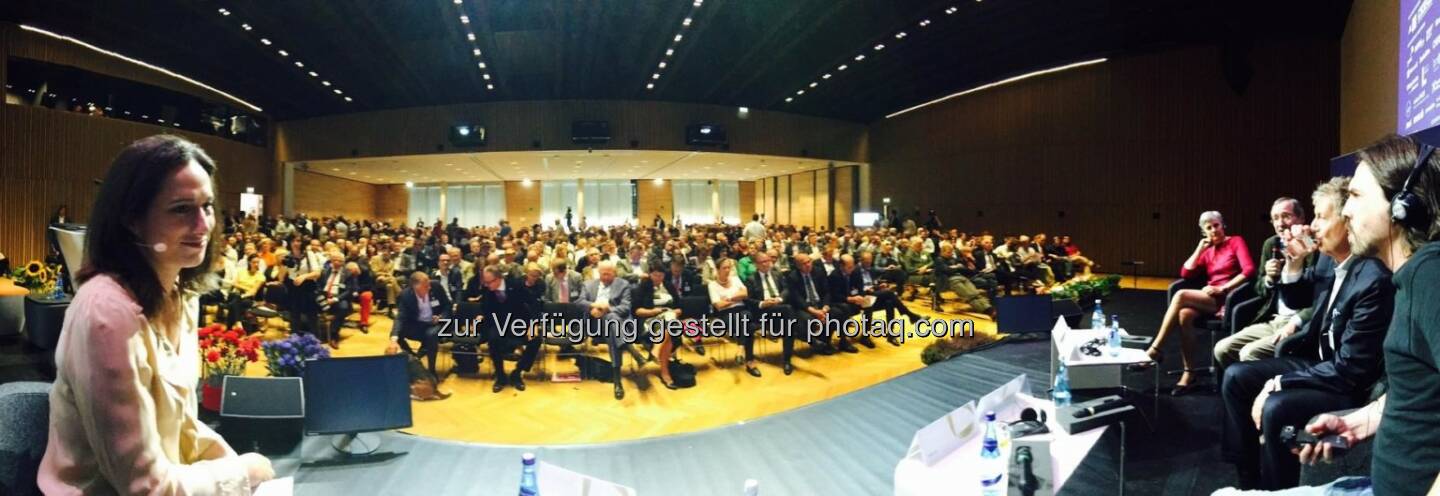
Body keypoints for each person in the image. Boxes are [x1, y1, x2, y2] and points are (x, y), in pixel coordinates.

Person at [39, 135, 274, 493]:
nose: (203, 225)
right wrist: (241, 474)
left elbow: (181, 427)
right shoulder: (107, 315)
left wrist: (235, 466)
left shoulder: (181, 295)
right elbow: (144, 487)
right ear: (133, 219)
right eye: (181, 209)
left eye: (207, 206)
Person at [1275, 134, 1440, 496]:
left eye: (1356, 197)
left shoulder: (1432, 274)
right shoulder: (1411, 278)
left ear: (1402, 206)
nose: (1346, 211)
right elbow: (1421, 391)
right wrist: (1362, 421)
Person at [1219, 177, 1393, 490]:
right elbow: (1301, 301)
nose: (1312, 226)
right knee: (1234, 376)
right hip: (1317, 361)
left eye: (1321, 217)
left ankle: (1279, 489)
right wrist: (1295, 264)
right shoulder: (1328, 260)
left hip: (1344, 380)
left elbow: (1351, 369)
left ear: (1347, 221)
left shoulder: (1373, 279)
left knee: (1276, 406)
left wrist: (1279, 382)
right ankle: (1247, 478)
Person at [1146, 210, 1255, 395]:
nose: (1214, 230)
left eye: (1216, 225)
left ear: (1223, 225)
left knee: (1180, 295)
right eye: (1209, 228)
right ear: (1204, 232)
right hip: (1209, 298)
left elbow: (1249, 270)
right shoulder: (1208, 250)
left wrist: (1224, 288)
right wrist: (1199, 249)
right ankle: (1190, 373)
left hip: (1227, 298)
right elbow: (1185, 273)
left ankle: (1156, 349)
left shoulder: (1235, 241)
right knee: (1184, 314)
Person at [1214, 197, 1317, 372]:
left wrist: (1297, 322)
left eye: (1286, 216)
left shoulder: (1311, 243)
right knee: (1222, 349)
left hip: (1301, 321)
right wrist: (1268, 279)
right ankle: (1241, 390)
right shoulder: (1271, 244)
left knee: (1249, 354)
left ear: (1301, 219)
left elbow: (1321, 293)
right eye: (1275, 218)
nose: (1280, 223)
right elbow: (1258, 287)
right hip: (1274, 318)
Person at [478, 265, 542, 394]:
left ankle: (517, 372)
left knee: (535, 340)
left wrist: (533, 324)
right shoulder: (487, 290)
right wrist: (481, 316)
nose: (486, 285)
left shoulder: (515, 285)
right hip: (497, 323)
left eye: (489, 282)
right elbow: (485, 308)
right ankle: (500, 376)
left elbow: (534, 303)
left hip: (518, 323)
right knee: (493, 339)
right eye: (485, 281)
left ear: (498, 279)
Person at [578, 261, 635, 400]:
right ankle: (630, 349)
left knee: (611, 320)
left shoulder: (623, 284)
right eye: (603, 274)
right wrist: (594, 306)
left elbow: (626, 307)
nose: (606, 276)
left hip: (616, 324)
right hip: (594, 324)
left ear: (614, 273)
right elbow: (579, 302)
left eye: (609, 274)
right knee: (613, 323)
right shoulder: (589, 285)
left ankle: (617, 381)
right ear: (598, 272)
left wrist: (607, 309)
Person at [387, 271, 451, 383]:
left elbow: (447, 306)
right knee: (397, 335)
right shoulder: (406, 295)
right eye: (426, 286)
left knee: (431, 335)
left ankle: (431, 370)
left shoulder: (436, 286)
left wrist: (441, 317)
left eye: (429, 283)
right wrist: (394, 339)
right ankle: (414, 359)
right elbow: (400, 318)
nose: (429, 287)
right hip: (418, 324)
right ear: (415, 287)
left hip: (438, 324)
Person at [710, 258, 761, 377]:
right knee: (749, 327)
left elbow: (745, 294)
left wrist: (728, 299)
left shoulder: (735, 279)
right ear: (717, 270)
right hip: (725, 314)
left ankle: (740, 349)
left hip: (742, 311)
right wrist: (735, 298)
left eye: (729, 267)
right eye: (724, 268)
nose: (727, 270)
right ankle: (750, 361)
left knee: (744, 316)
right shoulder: (712, 285)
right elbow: (718, 305)